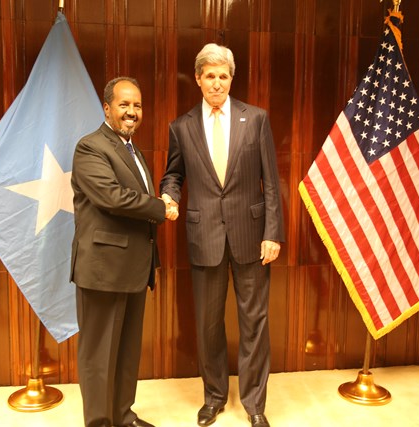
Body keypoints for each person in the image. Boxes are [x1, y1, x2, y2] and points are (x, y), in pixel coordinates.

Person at [160, 43, 285, 427]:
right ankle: (213, 397)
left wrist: (273, 232)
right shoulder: (181, 127)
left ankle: (255, 404)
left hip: (252, 236)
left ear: (232, 79)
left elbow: (271, 181)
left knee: (254, 323)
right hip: (205, 237)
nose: (217, 83)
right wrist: (168, 195)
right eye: (210, 76)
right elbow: (173, 173)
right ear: (198, 79)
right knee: (209, 325)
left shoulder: (256, 119)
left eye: (224, 76)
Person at [71, 76, 177, 427]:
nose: (132, 112)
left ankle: (122, 416)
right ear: (107, 108)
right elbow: (112, 198)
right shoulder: (90, 147)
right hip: (103, 269)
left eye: (137, 105)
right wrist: (160, 207)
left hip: (132, 267)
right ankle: (100, 422)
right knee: (99, 356)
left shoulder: (132, 149)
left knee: (126, 351)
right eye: (124, 104)